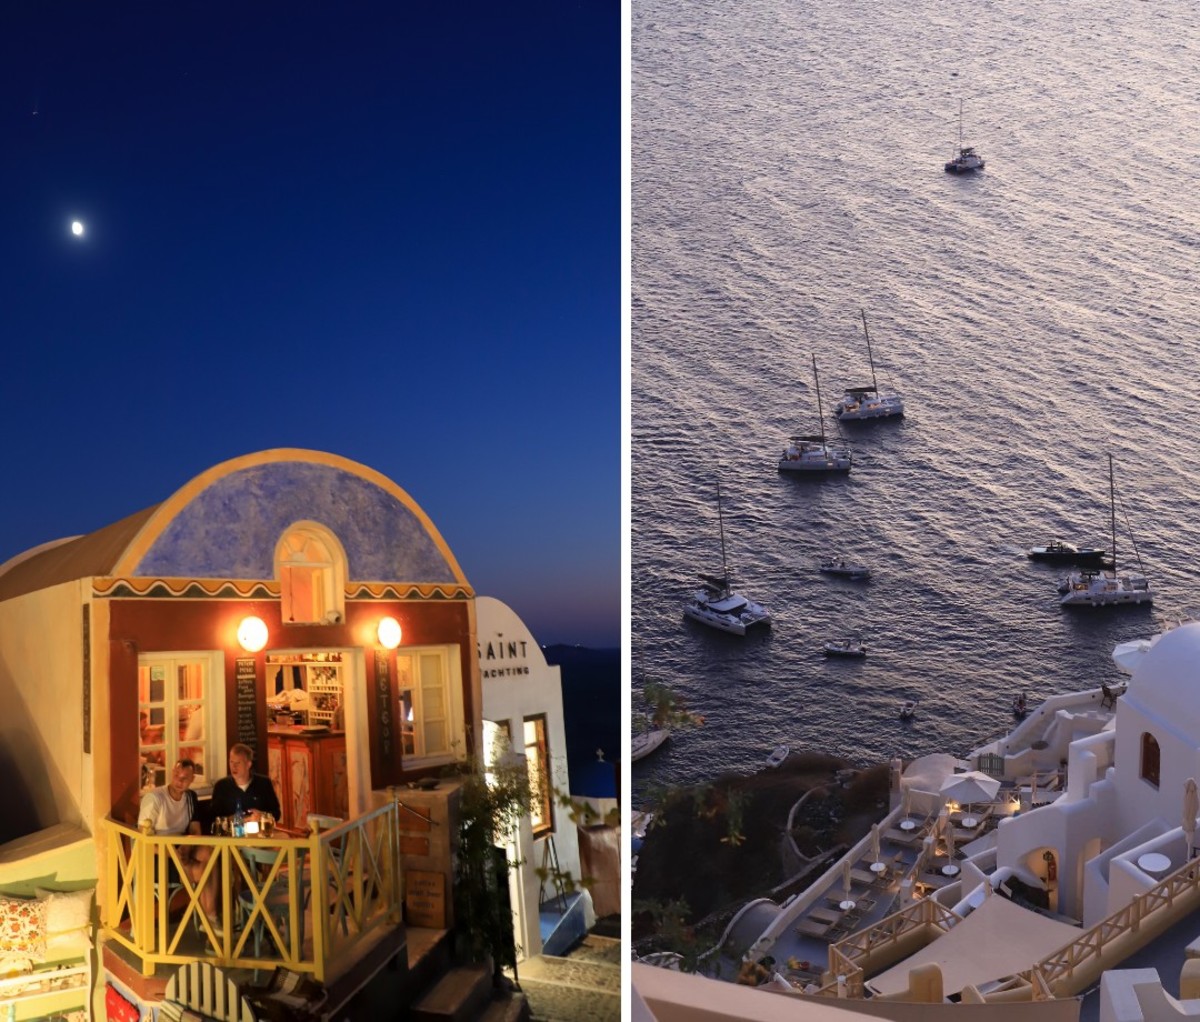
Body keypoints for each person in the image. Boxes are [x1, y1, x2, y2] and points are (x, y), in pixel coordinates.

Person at [138, 759, 213, 913]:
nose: (179, 780)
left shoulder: (190, 797)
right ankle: (208, 916)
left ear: (192, 780)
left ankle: (209, 916)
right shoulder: (155, 798)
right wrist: (173, 853)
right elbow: (142, 838)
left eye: (185, 778)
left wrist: (187, 845)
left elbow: (195, 830)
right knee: (209, 870)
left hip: (183, 844)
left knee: (209, 853)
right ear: (172, 773)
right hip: (160, 852)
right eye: (177, 775)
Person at [210, 742, 281, 825]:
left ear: (248, 764)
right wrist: (232, 819)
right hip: (231, 836)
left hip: (259, 835)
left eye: (238, 763)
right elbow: (213, 818)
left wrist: (262, 816)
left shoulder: (263, 783)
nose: (233, 767)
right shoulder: (221, 786)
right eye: (231, 762)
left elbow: (277, 814)